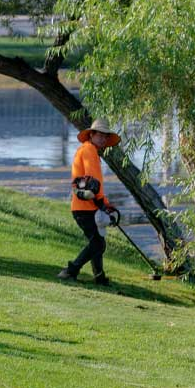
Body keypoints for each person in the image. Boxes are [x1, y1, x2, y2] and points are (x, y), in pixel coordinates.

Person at [58, 118, 120, 286]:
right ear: (91, 135)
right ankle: (70, 271)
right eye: (99, 135)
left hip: (86, 206)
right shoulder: (89, 151)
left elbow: (94, 184)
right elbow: (94, 182)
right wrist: (102, 203)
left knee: (97, 241)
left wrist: (106, 204)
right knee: (98, 243)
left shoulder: (87, 150)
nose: (103, 139)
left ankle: (99, 276)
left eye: (105, 137)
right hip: (85, 207)